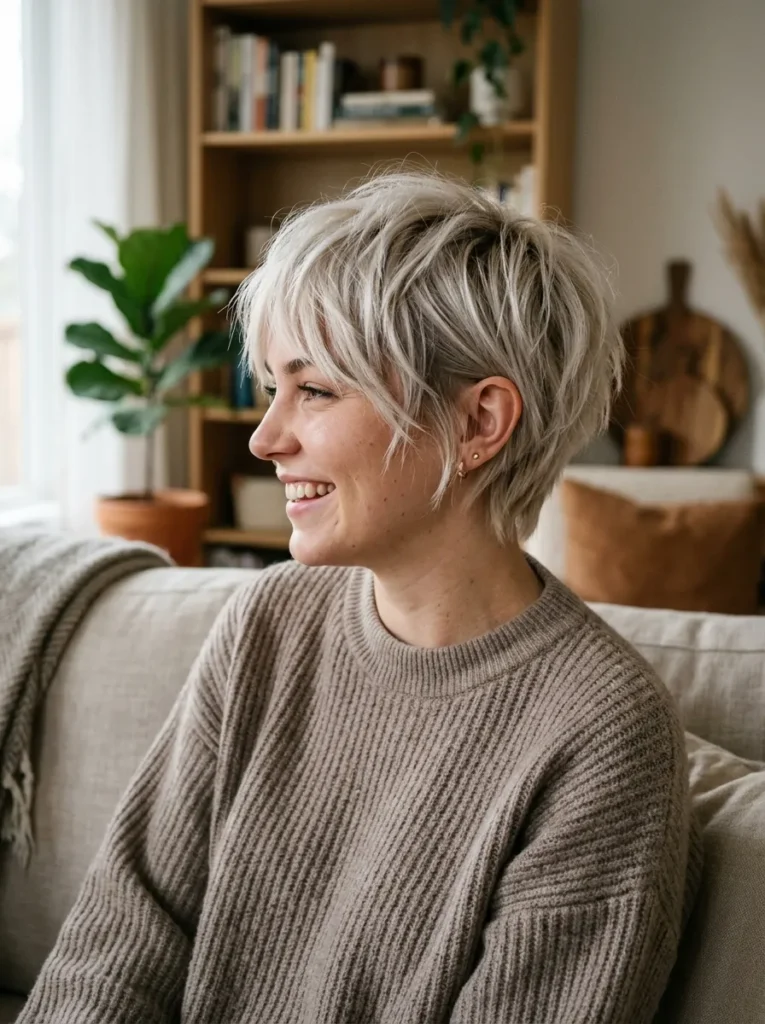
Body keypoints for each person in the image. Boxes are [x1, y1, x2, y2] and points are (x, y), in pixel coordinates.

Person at [18, 167, 702, 1023]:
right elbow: (120, 940)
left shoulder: (604, 735)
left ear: (479, 423)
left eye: (314, 389)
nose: (266, 438)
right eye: (272, 388)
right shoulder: (267, 622)